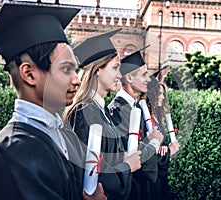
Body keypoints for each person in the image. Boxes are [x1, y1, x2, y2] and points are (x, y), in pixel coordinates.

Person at [0, 3, 106, 200]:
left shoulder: (57, 134)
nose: (77, 80)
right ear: (29, 74)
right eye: (66, 69)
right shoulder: (14, 153)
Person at [63, 29, 141, 200]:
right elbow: (87, 172)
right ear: (98, 69)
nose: (119, 75)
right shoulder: (83, 112)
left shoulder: (101, 110)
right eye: (115, 68)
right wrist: (127, 166)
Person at [108, 48, 164, 200]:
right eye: (144, 74)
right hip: (131, 186)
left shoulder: (136, 107)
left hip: (141, 185)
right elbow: (130, 155)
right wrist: (155, 142)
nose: (148, 79)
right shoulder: (118, 109)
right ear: (129, 78)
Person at [141, 75, 180, 200]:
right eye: (160, 93)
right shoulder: (142, 117)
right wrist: (169, 151)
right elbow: (147, 151)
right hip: (149, 178)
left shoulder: (156, 117)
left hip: (159, 174)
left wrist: (166, 148)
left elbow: (160, 146)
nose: (163, 97)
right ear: (151, 94)